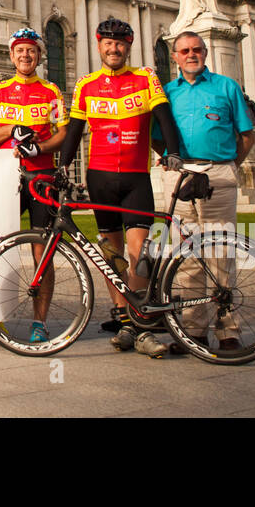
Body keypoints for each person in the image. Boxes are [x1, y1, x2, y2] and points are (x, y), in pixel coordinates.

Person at [59, 18, 183, 359]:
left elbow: (164, 117)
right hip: (99, 179)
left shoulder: (145, 79)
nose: (114, 49)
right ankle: (124, 318)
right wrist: (62, 165)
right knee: (111, 256)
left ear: (128, 46)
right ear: (98, 46)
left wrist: (172, 152)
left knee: (138, 254)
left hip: (134, 178)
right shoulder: (86, 85)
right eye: (108, 43)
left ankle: (141, 322)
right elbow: (73, 131)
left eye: (121, 43)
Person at [151, 30, 255, 356]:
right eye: (184, 51)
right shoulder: (167, 93)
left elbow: (247, 135)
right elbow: (157, 137)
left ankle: (228, 332)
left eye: (196, 49)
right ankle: (193, 332)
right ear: (175, 57)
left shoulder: (226, 87)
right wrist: (171, 159)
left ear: (205, 52)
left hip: (218, 173)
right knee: (186, 259)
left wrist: (226, 166)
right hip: (180, 176)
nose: (191, 54)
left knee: (221, 256)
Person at [0, 27, 68, 345]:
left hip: (42, 179)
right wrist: (12, 130)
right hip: (8, 179)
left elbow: (63, 134)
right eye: (19, 51)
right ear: (11, 55)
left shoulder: (51, 90)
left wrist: (39, 149)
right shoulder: (0, 92)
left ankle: (39, 322)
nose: (25, 56)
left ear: (39, 56)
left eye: (31, 51)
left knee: (42, 253)